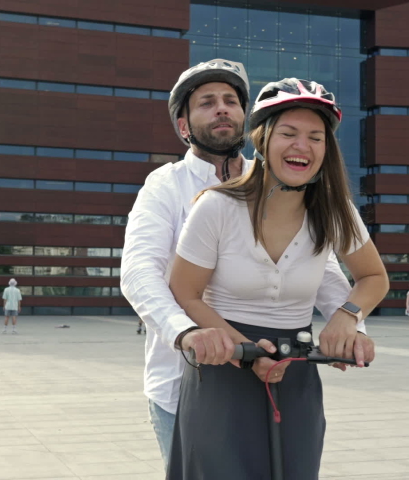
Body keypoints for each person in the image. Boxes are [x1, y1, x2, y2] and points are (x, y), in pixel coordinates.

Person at [120, 61, 376, 471]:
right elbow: (139, 273)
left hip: (280, 370)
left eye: (230, 101)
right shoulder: (167, 185)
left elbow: (321, 267)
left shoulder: (285, 183)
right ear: (184, 126)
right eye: (207, 103)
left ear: (249, 121)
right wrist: (186, 332)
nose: (222, 109)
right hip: (190, 373)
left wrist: (349, 325)